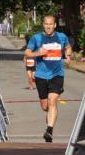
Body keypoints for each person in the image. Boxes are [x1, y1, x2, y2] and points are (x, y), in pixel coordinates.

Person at [25, 15, 72, 143]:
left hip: (57, 74)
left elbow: (68, 47)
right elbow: (27, 52)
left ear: (55, 25)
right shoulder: (36, 38)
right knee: (45, 106)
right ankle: (51, 115)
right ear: (43, 25)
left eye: (51, 24)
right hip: (41, 75)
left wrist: (68, 56)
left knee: (52, 100)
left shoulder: (62, 37)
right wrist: (37, 53)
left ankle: (49, 131)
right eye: (46, 24)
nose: (48, 26)